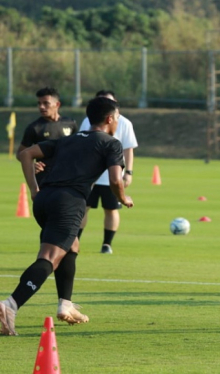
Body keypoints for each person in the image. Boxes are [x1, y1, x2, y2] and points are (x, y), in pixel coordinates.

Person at [0, 97, 133, 336]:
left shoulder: (67, 140)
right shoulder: (111, 143)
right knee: (49, 257)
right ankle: (10, 304)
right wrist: (123, 198)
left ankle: (66, 304)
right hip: (68, 203)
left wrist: (33, 189)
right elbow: (115, 180)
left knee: (71, 245)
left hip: (45, 199)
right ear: (110, 119)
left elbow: (26, 154)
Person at [78, 90, 138, 254]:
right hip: (90, 176)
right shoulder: (87, 121)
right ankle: (74, 240)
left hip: (112, 175)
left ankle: (107, 244)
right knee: (83, 208)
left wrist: (129, 172)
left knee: (111, 209)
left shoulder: (124, 123)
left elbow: (128, 149)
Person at [16, 87, 78, 185]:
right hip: (44, 179)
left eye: (46, 103)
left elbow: (77, 148)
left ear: (57, 104)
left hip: (67, 176)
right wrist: (32, 165)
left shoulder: (70, 123)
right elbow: (20, 153)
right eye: (39, 103)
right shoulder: (34, 128)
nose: (41, 107)